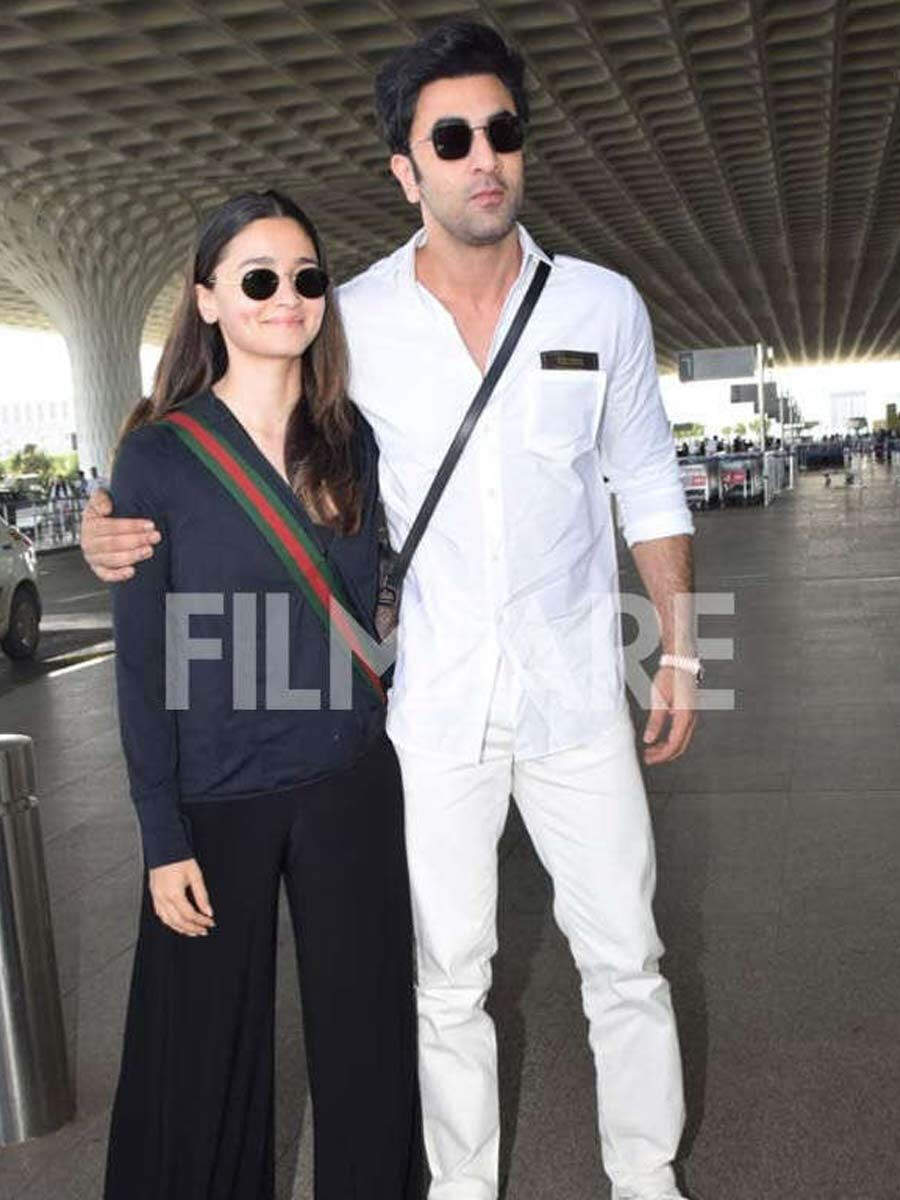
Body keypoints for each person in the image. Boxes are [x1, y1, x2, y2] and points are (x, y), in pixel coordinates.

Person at [83, 22, 701, 1200]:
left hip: (579, 686)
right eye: (452, 137)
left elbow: (646, 479)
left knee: (627, 953)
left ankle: (648, 1178)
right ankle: (458, 1189)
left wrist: (680, 647)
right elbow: (234, 420)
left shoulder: (603, 307)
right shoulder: (352, 320)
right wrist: (100, 519)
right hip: (425, 706)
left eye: (503, 131)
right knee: (446, 972)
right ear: (405, 171)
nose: (485, 157)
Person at [99, 190, 419, 1200]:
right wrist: (161, 833)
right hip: (216, 799)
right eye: (259, 278)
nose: (288, 297)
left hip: (349, 782)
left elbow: (376, 604)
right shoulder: (159, 454)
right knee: (203, 1059)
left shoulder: (351, 438)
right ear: (207, 300)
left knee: (367, 1045)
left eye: (306, 278)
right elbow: (143, 660)